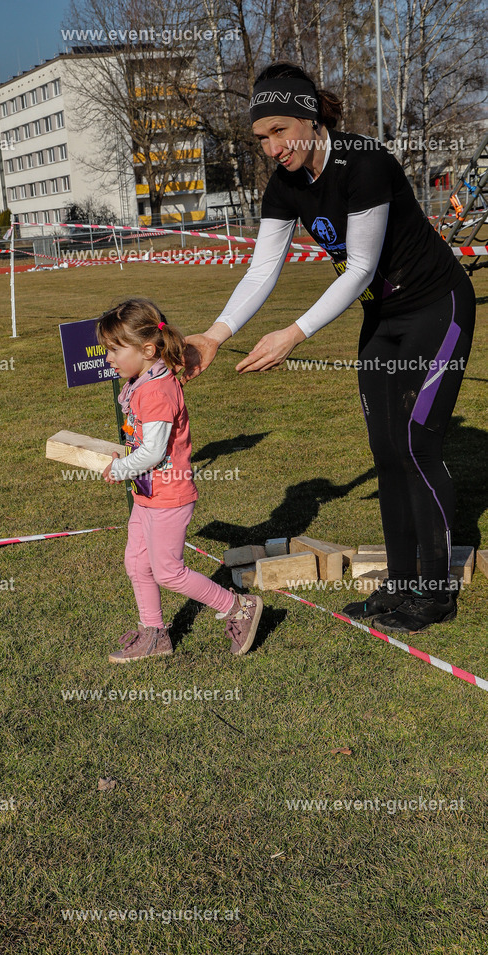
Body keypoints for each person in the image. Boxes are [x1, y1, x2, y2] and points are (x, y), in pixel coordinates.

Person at [182, 62, 476, 635]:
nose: (270, 148)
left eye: (278, 133)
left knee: (417, 443)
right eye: (260, 138)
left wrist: (293, 334)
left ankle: (436, 592)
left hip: (436, 309)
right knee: (388, 450)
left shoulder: (363, 161)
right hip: (383, 320)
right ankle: (400, 581)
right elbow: (263, 268)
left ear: (309, 117)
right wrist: (215, 335)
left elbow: (361, 266)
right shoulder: (284, 186)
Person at [98, 298, 263, 662]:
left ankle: (238, 606)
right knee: (137, 564)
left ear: (146, 349)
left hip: (169, 497)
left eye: (113, 350)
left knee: (168, 572)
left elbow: (155, 451)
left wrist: (122, 468)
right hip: (147, 495)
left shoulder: (157, 391)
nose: (108, 358)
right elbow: (141, 442)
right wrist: (123, 458)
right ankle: (154, 634)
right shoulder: (144, 379)